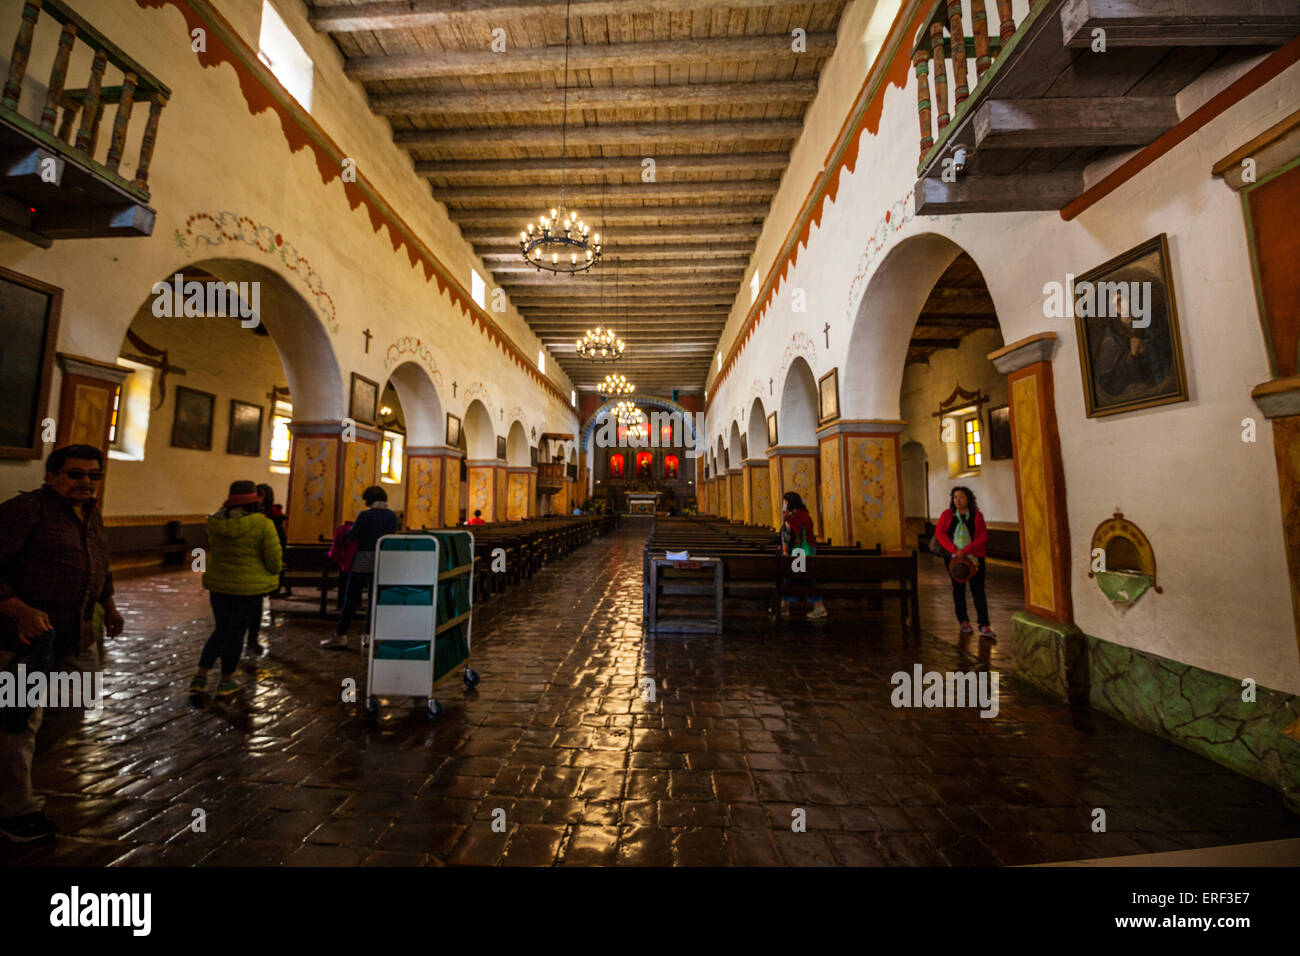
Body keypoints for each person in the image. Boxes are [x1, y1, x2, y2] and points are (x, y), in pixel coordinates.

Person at [0, 444, 124, 843]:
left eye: (93, 475)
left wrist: (110, 605)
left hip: (78, 635)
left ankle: (14, 782)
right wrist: (17, 607)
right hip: (27, 641)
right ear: (51, 475)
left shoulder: (90, 515)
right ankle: (15, 810)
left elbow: (99, 565)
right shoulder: (25, 512)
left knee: (74, 706)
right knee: (19, 724)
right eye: (75, 474)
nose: (85, 482)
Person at [190, 481, 283, 697]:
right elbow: (273, 558)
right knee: (235, 634)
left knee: (220, 629)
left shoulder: (215, 522)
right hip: (248, 589)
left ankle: (200, 677)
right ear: (255, 500)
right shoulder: (262, 524)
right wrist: (275, 571)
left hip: (220, 587)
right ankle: (226, 681)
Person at [322, 486, 398, 650]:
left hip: (362, 562)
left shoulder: (365, 515)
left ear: (369, 500)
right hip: (382, 561)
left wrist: (347, 531)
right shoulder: (392, 516)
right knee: (374, 599)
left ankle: (341, 635)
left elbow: (351, 537)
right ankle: (369, 635)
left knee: (351, 599)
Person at [933, 486, 994, 639]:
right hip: (954, 559)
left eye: (961, 497)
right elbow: (940, 533)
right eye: (955, 497)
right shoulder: (947, 515)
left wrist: (965, 551)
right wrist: (954, 550)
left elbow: (982, 537)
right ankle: (963, 621)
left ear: (968, 499)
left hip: (974, 558)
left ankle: (984, 624)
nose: (957, 500)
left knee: (978, 590)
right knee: (958, 590)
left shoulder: (976, 516)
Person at [244, 483, 285, 656]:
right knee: (254, 605)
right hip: (258, 566)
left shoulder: (240, 517)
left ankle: (249, 639)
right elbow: (280, 541)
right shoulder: (271, 518)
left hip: (250, 566)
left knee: (250, 606)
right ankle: (251, 640)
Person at [779, 492, 827, 621]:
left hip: (799, 551)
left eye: (785, 502)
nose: (783, 505)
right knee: (799, 578)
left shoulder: (796, 517)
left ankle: (818, 607)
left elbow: (792, 535)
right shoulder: (800, 515)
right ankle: (785, 605)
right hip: (803, 550)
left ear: (790, 503)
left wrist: (787, 519)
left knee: (798, 578)